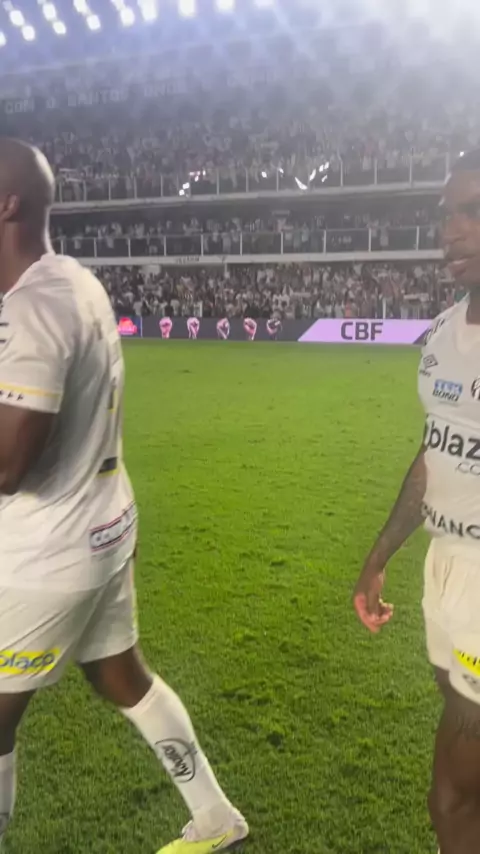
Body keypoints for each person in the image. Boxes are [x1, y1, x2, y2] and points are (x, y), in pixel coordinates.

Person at [0, 138, 248, 854]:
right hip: (102, 524)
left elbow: (9, 464)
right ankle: (216, 818)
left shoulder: (35, 307)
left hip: (47, 548)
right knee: (121, 676)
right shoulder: (73, 282)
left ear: (8, 204)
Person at [353, 148, 480, 854]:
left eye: (472, 212)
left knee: (451, 797)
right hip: (444, 564)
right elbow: (434, 453)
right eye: (446, 214)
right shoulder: (440, 336)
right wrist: (379, 556)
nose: (450, 231)